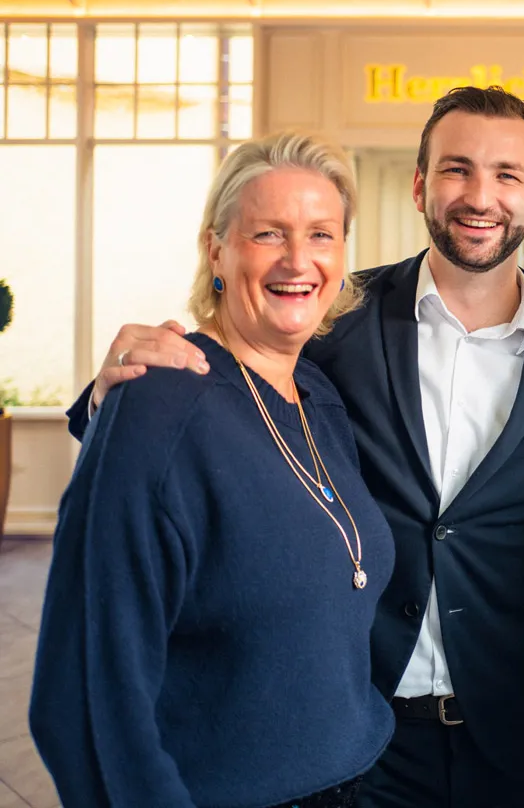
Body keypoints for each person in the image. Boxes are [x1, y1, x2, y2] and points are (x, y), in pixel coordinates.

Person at [66, 87, 524, 808]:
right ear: (419, 185)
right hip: (355, 738)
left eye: (506, 175)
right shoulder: (329, 319)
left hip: (512, 740)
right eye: (455, 169)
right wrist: (108, 395)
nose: (479, 195)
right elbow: (223, 380)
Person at [30, 131, 396, 807]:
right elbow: (81, 693)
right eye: (268, 234)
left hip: (353, 785)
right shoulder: (159, 403)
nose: (298, 259)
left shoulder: (319, 396)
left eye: (321, 234)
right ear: (216, 249)